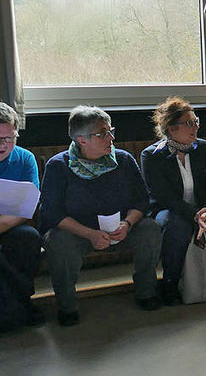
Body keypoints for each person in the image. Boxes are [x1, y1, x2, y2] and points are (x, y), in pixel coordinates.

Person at [40, 106, 162, 326]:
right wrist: (90, 234)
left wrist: (127, 223)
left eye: (110, 130)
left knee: (150, 229)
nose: (111, 137)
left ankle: (147, 291)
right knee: (58, 242)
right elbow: (51, 212)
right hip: (78, 233)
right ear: (82, 140)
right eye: (102, 134)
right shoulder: (59, 166)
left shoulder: (123, 160)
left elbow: (142, 200)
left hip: (121, 228)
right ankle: (67, 306)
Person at [141, 97, 206, 303]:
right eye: (189, 123)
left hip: (202, 207)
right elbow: (163, 197)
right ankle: (170, 283)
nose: (196, 127)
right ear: (171, 128)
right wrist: (194, 214)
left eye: (196, 121)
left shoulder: (204, 148)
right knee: (176, 226)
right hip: (169, 209)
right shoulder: (152, 156)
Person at [0, 102, 43, 326]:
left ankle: (21, 302)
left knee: (29, 238)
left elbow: (28, 207)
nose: (4, 145)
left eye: (10, 137)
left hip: (12, 224)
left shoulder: (25, 158)